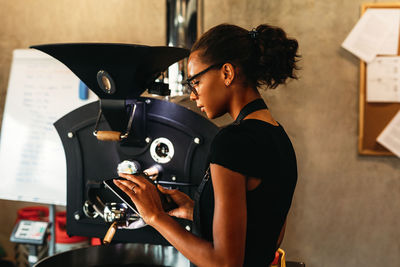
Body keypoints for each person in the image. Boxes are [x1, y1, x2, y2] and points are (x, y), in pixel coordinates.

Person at [114, 23, 299, 267]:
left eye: (196, 82)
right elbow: (264, 234)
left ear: (226, 73)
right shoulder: (279, 137)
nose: (193, 95)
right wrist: (197, 210)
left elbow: (224, 263)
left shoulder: (232, 143)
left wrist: (154, 216)